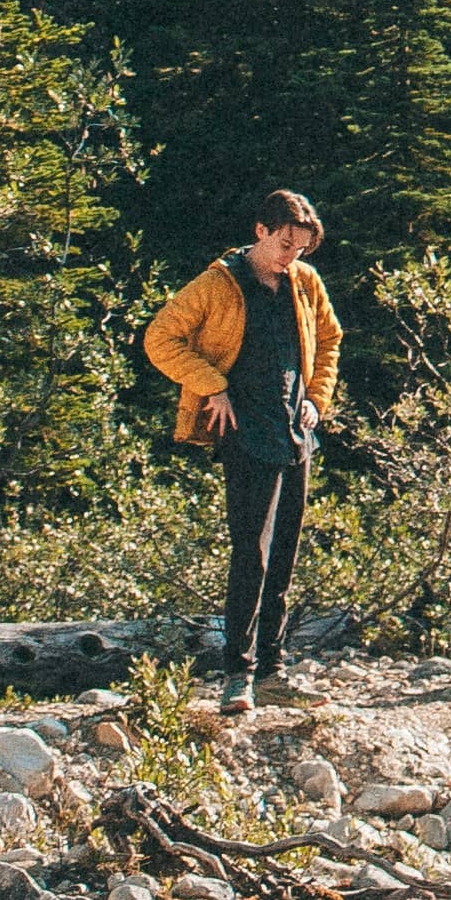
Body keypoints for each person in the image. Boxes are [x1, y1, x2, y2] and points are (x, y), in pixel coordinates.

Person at [143, 193, 341, 717]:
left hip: (295, 430)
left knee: (285, 555)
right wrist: (210, 384)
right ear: (260, 230)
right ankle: (238, 673)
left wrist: (318, 399)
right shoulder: (217, 283)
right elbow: (160, 337)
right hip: (245, 428)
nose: (288, 255)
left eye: (299, 248)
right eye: (282, 243)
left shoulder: (305, 282)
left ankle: (274, 671)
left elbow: (331, 337)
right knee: (249, 553)